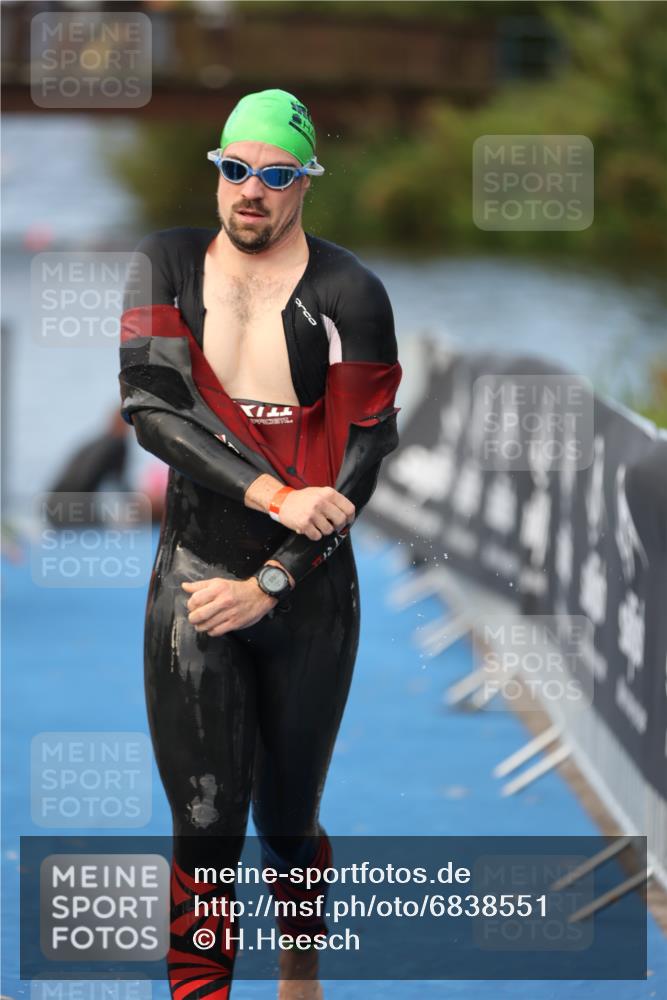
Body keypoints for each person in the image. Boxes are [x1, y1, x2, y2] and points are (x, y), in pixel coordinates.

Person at [118, 89, 402, 1000]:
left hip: (308, 595)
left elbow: (363, 461)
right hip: (196, 585)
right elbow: (152, 411)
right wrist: (274, 491)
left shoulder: (350, 293)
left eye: (275, 175)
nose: (252, 190)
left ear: (303, 183)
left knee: (284, 822)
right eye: (236, 170)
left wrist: (274, 578)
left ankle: (299, 968)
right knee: (204, 827)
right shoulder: (163, 263)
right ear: (217, 174)